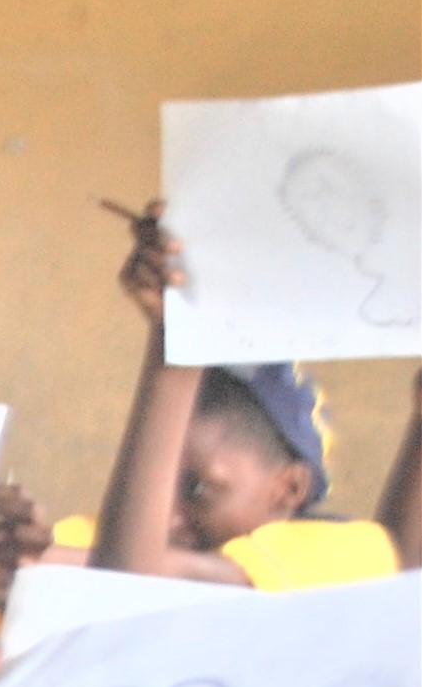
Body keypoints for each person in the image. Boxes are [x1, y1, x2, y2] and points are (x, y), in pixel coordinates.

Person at [92, 203, 401, 589]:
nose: (166, 519)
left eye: (197, 489)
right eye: (155, 480)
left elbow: (129, 577)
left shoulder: (342, 551)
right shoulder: (127, 534)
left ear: (288, 488)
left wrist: (177, 343)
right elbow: (68, 560)